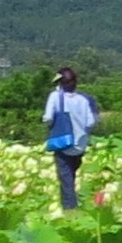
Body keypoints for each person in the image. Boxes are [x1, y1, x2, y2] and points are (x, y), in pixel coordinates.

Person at [42, 68, 97, 211]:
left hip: (63, 144)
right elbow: (91, 122)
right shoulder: (83, 99)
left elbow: (48, 118)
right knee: (70, 177)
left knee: (66, 179)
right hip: (80, 145)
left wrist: (54, 125)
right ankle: (70, 205)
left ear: (61, 83)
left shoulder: (55, 96)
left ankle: (70, 209)